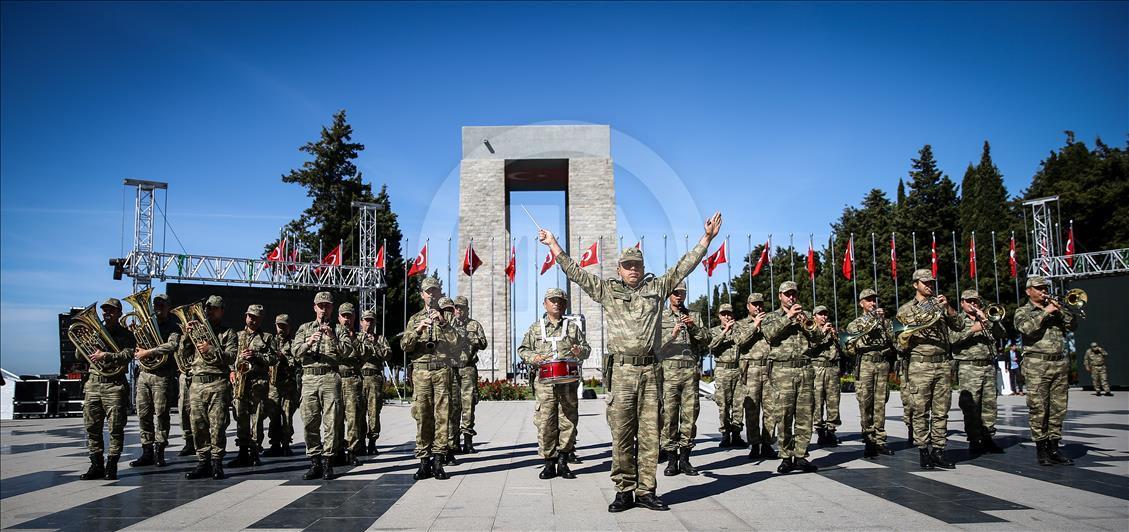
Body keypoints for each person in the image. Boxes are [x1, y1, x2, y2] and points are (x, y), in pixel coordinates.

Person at [538, 211, 721, 512]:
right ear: (619, 269)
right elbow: (576, 273)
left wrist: (707, 238)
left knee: (650, 433)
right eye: (627, 266)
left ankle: (647, 490)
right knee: (621, 433)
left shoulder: (657, 288)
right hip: (621, 372)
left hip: (650, 371)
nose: (632, 269)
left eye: (636, 265)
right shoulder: (609, 291)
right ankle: (624, 490)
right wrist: (554, 244)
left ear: (643, 268)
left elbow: (685, 266)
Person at [518, 288, 591, 480]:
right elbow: (523, 349)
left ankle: (563, 460)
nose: (556, 303)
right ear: (545, 304)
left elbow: (586, 350)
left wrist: (578, 351)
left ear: (565, 304)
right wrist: (535, 357)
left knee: (568, 420)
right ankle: (549, 462)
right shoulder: (536, 327)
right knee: (546, 422)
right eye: (552, 300)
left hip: (567, 382)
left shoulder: (573, 327)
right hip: (545, 383)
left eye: (560, 300)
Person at [897, 269, 962, 470]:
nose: (929, 285)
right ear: (915, 284)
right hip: (920, 364)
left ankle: (939, 451)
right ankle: (923, 450)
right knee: (920, 410)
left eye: (931, 282)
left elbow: (959, 325)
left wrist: (949, 308)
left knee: (941, 411)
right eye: (924, 282)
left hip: (942, 363)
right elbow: (899, 341)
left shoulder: (939, 305)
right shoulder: (906, 310)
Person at [1015, 276, 1078, 465]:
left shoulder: (1056, 308)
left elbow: (1073, 325)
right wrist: (1045, 312)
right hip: (1037, 365)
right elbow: (1026, 329)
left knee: (1058, 408)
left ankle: (1054, 446)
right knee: (1039, 408)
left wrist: (1063, 310)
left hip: (1059, 363)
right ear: (1029, 291)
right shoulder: (1023, 311)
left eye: (1044, 287)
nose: (1043, 291)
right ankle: (1041, 449)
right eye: (1039, 288)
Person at [400, 281, 460, 480]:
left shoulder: (448, 317)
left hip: (442, 371)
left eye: (435, 291)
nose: (432, 295)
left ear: (440, 292)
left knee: (442, 417)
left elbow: (458, 344)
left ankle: (438, 460)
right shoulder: (415, 318)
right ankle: (423, 461)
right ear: (422, 295)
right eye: (428, 292)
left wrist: (442, 322)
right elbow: (404, 345)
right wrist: (418, 330)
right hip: (421, 373)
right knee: (423, 416)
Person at [762, 281, 819, 474]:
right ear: (780, 296)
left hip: (804, 369)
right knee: (784, 415)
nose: (791, 297)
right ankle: (786, 456)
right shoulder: (772, 317)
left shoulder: (806, 316)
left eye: (793, 294)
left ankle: (801, 455)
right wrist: (788, 317)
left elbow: (818, 338)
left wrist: (809, 325)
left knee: (805, 415)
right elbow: (769, 335)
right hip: (782, 371)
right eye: (787, 294)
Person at [293, 291, 351, 480]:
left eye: (327, 306)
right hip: (309, 378)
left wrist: (332, 336)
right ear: (315, 307)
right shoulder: (305, 328)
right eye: (320, 306)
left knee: (332, 422)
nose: (323, 309)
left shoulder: (339, 329)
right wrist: (309, 342)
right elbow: (295, 352)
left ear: (332, 308)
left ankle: (328, 461)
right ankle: (315, 461)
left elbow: (347, 351)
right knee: (310, 421)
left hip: (330, 377)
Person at [76, 298, 135, 481]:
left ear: (118, 313)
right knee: (92, 426)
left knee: (116, 427)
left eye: (111, 310)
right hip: (93, 383)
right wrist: (87, 339)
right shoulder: (96, 332)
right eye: (104, 310)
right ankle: (96, 464)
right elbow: (80, 355)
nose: (106, 313)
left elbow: (128, 355)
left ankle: (112, 464)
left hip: (114, 384)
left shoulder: (125, 334)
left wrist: (106, 355)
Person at [184, 295, 238, 480]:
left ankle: (217, 462)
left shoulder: (228, 332)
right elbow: (183, 354)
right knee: (197, 425)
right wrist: (186, 334)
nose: (208, 311)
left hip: (218, 383)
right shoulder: (196, 331)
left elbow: (231, 357)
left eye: (213, 308)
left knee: (217, 425)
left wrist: (211, 350)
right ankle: (203, 461)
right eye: (207, 308)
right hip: (198, 383)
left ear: (221, 310)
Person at [657, 282, 708, 475]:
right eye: (676, 293)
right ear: (669, 295)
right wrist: (672, 335)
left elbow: (707, 339)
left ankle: (685, 459)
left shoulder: (693, 315)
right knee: (669, 416)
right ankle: (671, 460)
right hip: (669, 373)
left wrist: (693, 327)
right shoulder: (660, 317)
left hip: (689, 373)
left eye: (682, 293)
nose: (679, 296)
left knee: (690, 416)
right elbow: (654, 346)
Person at [951, 290, 1006, 454]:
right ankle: (975, 440)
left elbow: (1002, 333)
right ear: (962, 303)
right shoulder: (958, 320)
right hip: (969, 366)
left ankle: (988, 436)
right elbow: (952, 339)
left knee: (990, 404)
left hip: (988, 366)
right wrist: (973, 329)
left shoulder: (986, 317)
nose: (973, 304)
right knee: (971, 406)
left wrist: (988, 321)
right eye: (969, 301)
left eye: (975, 301)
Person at [130, 293, 181, 468]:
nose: (158, 307)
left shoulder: (173, 327)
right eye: (156, 304)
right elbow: (135, 346)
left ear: (168, 307)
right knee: (143, 413)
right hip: (144, 374)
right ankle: (146, 452)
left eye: (162, 304)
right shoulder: (146, 326)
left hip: (162, 375)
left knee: (161, 414)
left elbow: (172, 345)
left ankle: (160, 451)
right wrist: (134, 332)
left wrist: (148, 352)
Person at [844, 289, 896, 458]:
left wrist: (882, 322)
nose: (872, 303)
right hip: (865, 363)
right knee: (865, 403)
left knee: (880, 403)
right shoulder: (854, 324)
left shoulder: (884, 322)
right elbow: (850, 348)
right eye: (868, 300)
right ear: (861, 304)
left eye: (874, 300)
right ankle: (868, 439)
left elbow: (893, 341)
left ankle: (880, 440)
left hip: (881, 363)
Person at [228, 304, 275, 468]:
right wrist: (232, 371)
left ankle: (255, 453)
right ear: (245, 316)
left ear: (261, 319)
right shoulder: (237, 335)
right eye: (250, 316)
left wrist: (256, 355)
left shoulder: (267, 337)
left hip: (258, 383)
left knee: (257, 419)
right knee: (240, 417)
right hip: (241, 382)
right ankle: (242, 453)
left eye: (256, 317)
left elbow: (273, 359)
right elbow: (230, 356)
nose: (252, 320)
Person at [737, 293, 774, 460]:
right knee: (752, 410)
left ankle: (767, 444)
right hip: (750, 370)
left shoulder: (771, 322)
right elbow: (738, 341)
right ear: (748, 306)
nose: (757, 307)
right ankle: (754, 444)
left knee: (771, 409)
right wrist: (755, 326)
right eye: (754, 304)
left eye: (760, 304)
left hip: (769, 369)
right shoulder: (741, 324)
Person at [453, 296, 488, 454]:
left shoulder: (474, 324)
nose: (459, 310)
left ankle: (467, 441)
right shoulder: (448, 324)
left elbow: (483, 344)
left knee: (468, 406)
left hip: (468, 369)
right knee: (453, 405)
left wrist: (471, 338)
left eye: (462, 308)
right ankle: (453, 441)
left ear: (467, 309)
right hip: (452, 370)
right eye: (456, 307)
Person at [709, 303, 747, 449]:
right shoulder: (714, 331)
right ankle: (725, 434)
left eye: (729, 314)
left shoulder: (739, 331)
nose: (727, 316)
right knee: (723, 405)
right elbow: (711, 346)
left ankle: (736, 434)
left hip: (738, 370)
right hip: (722, 370)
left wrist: (735, 330)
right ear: (719, 316)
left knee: (738, 404)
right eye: (724, 314)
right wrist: (725, 331)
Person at [263, 314, 298, 457]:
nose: (281, 329)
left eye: (284, 326)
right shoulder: (270, 341)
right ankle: (275, 444)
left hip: (288, 385)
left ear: (289, 327)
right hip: (273, 385)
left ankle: (286, 443)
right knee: (274, 416)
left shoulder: (294, 343)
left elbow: (297, 361)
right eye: (279, 326)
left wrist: (284, 359)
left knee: (287, 415)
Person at [335, 303, 365, 466]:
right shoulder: (332, 333)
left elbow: (366, 353)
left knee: (353, 417)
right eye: (344, 316)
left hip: (352, 380)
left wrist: (353, 338)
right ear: (338, 317)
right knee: (336, 417)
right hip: (336, 379)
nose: (346, 319)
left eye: (349, 316)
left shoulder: (359, 337)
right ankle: (338, 449)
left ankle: (353, 450)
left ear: (354, 318)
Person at [358, 309, 391, 455]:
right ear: (361, 322)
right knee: (358, 412)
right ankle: (359, 441)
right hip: (359, 378)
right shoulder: (356, 338)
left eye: (371, 320)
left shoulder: (381, 339)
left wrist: (375, 344)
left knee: (373, 412)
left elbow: (388, 355)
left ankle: (372, 441)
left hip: (374, 379)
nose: (368, 323)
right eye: (366, 320)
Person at [809, 305, 841, 447]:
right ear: (814, 317)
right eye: (820, 314)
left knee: (833, 401)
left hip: (832, 368)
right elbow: (810, 347)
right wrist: (821, 333)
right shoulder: (811, 331)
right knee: (817, 401)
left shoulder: (832, 330)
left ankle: (831, 430)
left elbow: (844, 349)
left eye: (825, 314)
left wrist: (836, 337)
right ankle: (820, 431)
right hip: (818, 368)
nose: (824, 317)